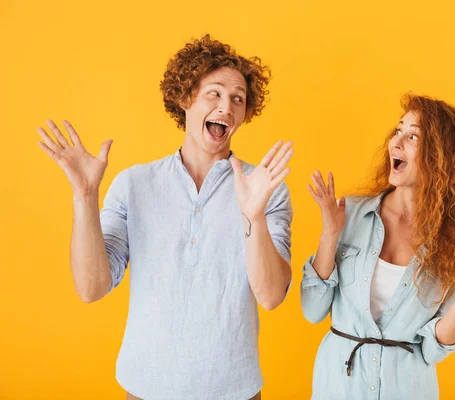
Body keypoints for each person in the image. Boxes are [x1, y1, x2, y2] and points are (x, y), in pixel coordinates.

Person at [37, 34, 293, 400]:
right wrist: (85, 195)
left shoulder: (265, 189)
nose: (227, 106)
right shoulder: (134, 184)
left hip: (234, 391)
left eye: (238, 99)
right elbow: (91, 287)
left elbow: (270, 296)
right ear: (185, 96)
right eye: (214, 93)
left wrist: (253, 214)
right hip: (144, 388)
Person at [301, 94, 455, 399]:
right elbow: (313, 310)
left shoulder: (453, 243)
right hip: (340, 386)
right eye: (398, 131)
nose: (395, 143)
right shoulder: (351, 213)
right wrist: (330, 234)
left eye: (413, 136)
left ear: (441, 158)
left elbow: (434, 349)